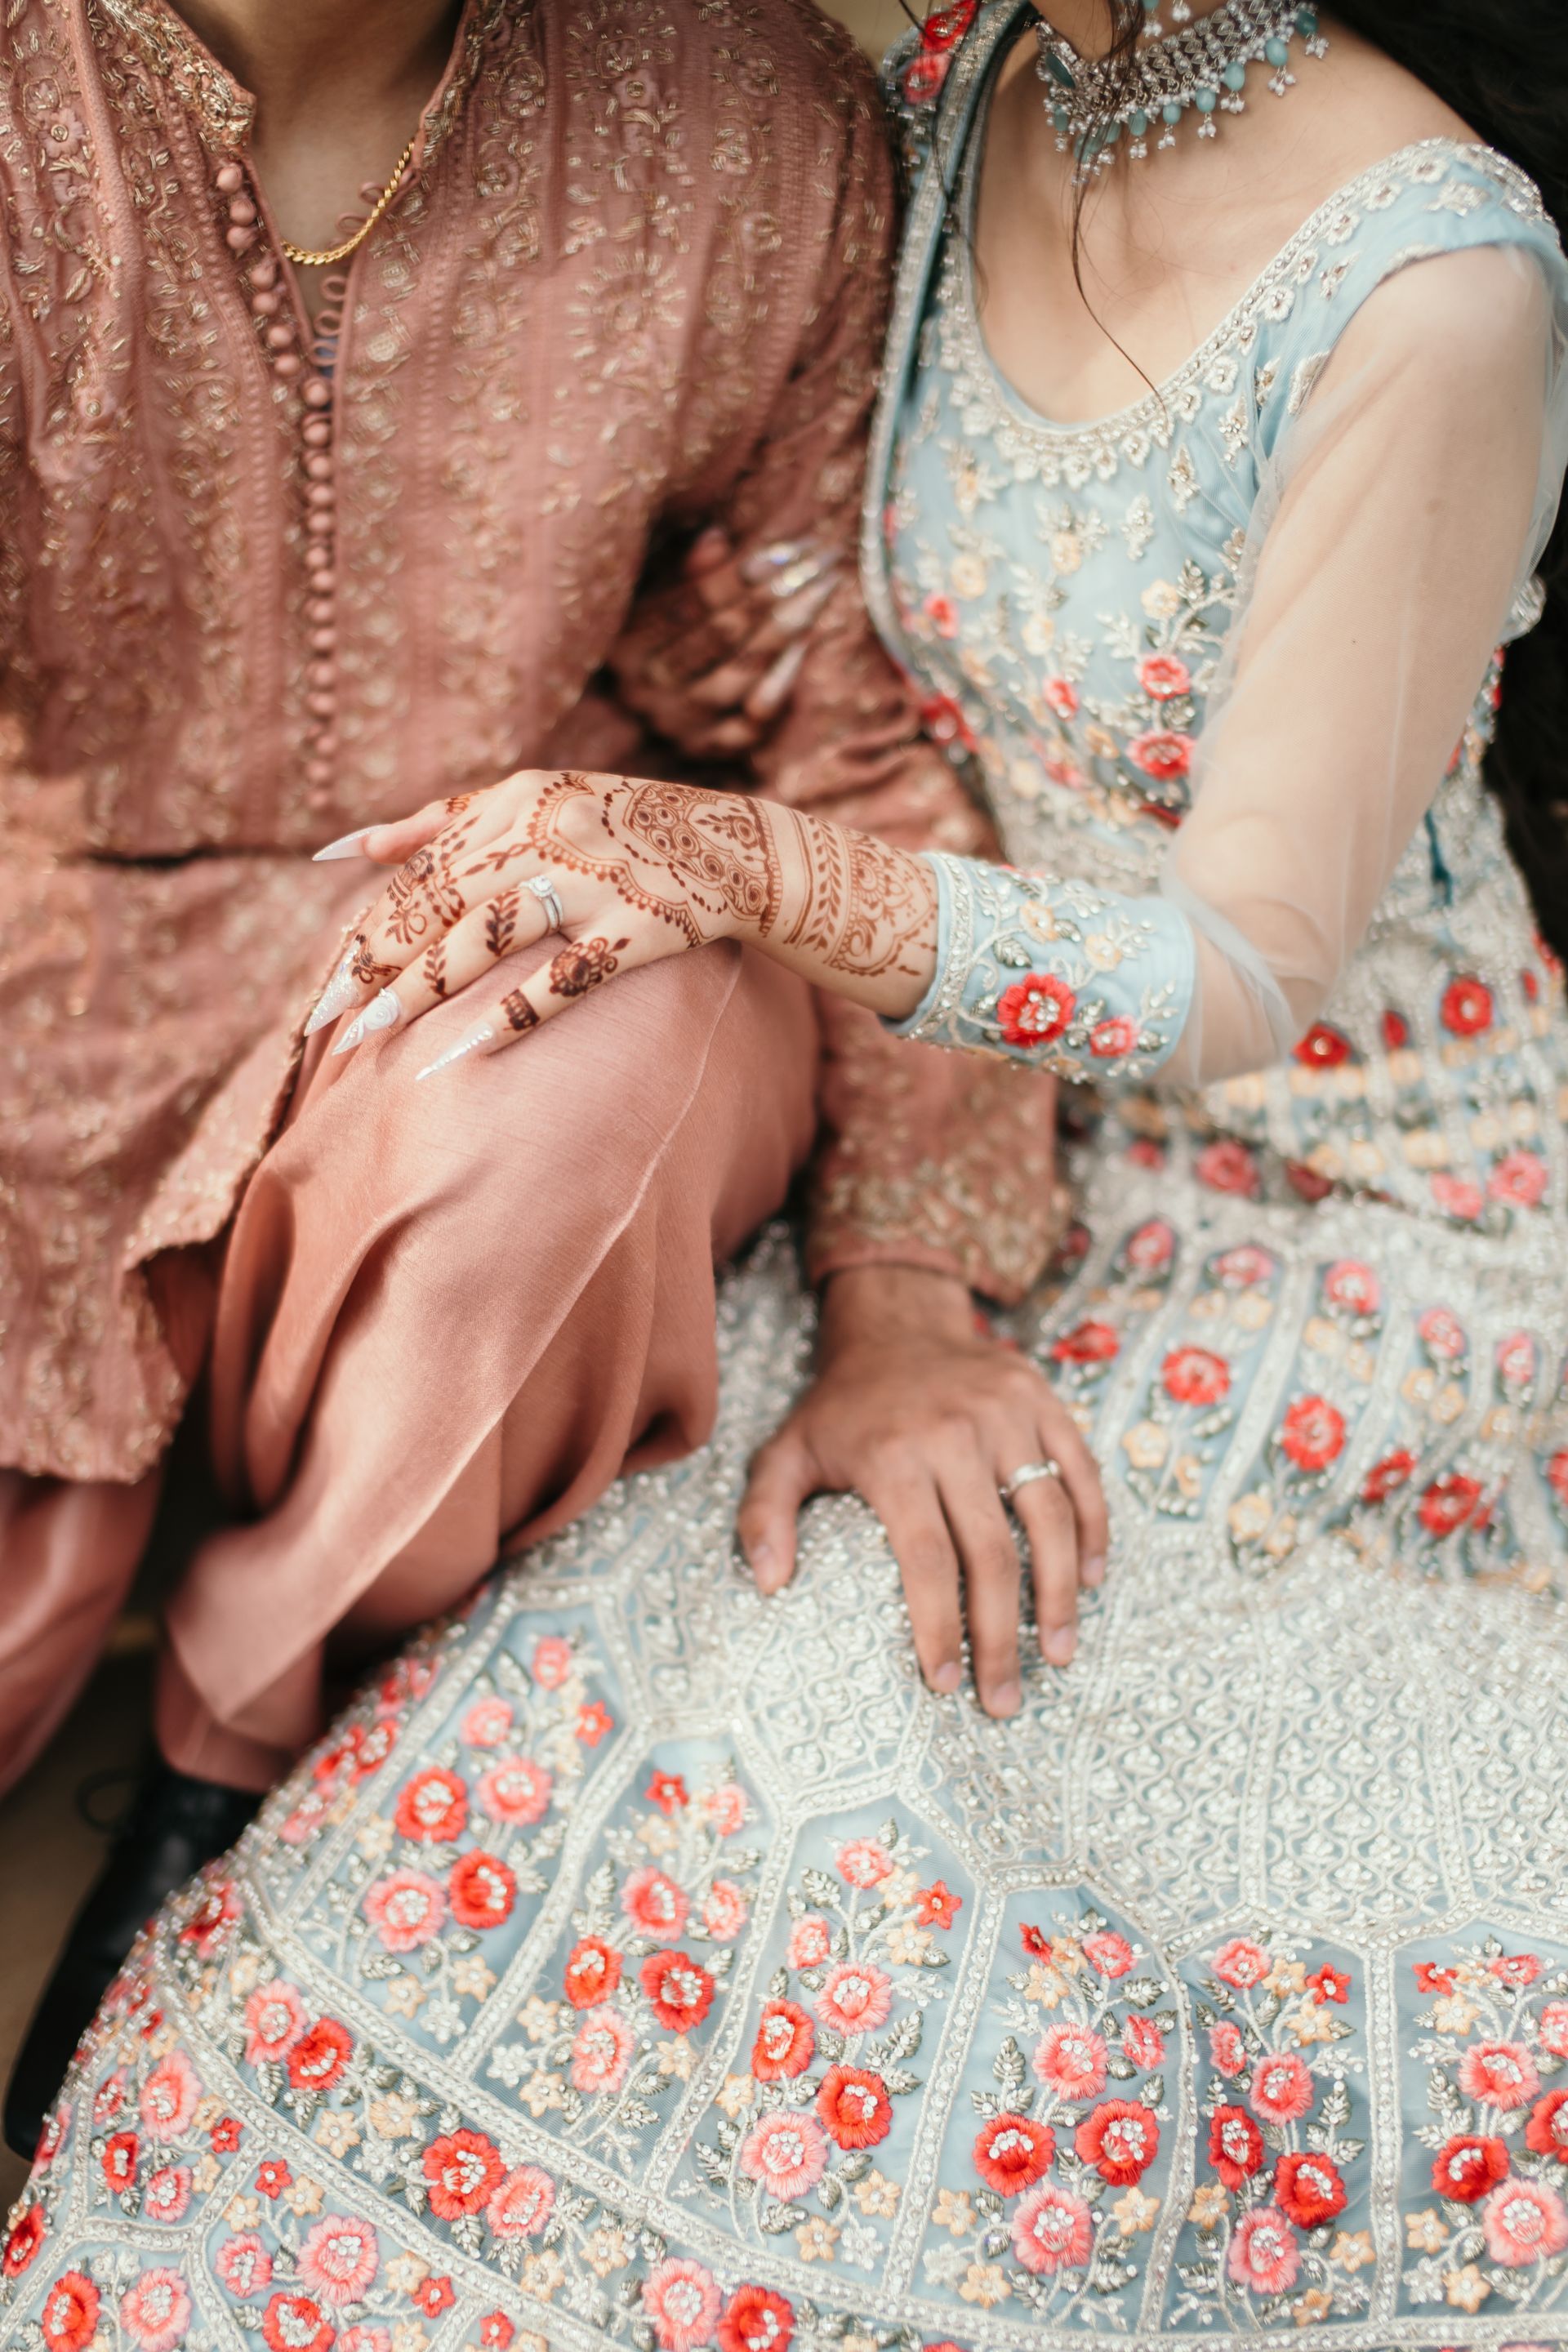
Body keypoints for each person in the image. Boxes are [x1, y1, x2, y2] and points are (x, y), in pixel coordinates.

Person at [7, 0, 1568, 2341]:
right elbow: (810, 646)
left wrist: (863, 1162)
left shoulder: (1425, 274)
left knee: (865, 1756)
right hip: (883, 1030)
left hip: (1319, 1182)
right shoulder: (948, 90)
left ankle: (224, 1791)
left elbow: (1243, 968)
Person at [0, 0, 1071, 2154]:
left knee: (586, 1077)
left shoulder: (745, 119)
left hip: (505, 900)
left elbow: (847, 730)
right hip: (38, 939)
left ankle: (235, 1770)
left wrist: (905, 1294)